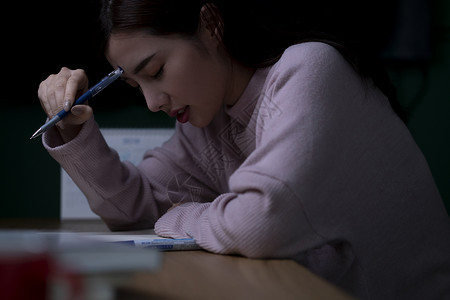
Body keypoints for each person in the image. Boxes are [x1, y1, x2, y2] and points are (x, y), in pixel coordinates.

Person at [37, 0, 450, 298]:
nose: (152, 102)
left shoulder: (309, 69)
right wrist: (76, 133)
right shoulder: (207, 123)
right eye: (135, 85)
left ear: (211, 24)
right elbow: (135, 211)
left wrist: (184, 215)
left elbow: (260, 222)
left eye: (157, 71)